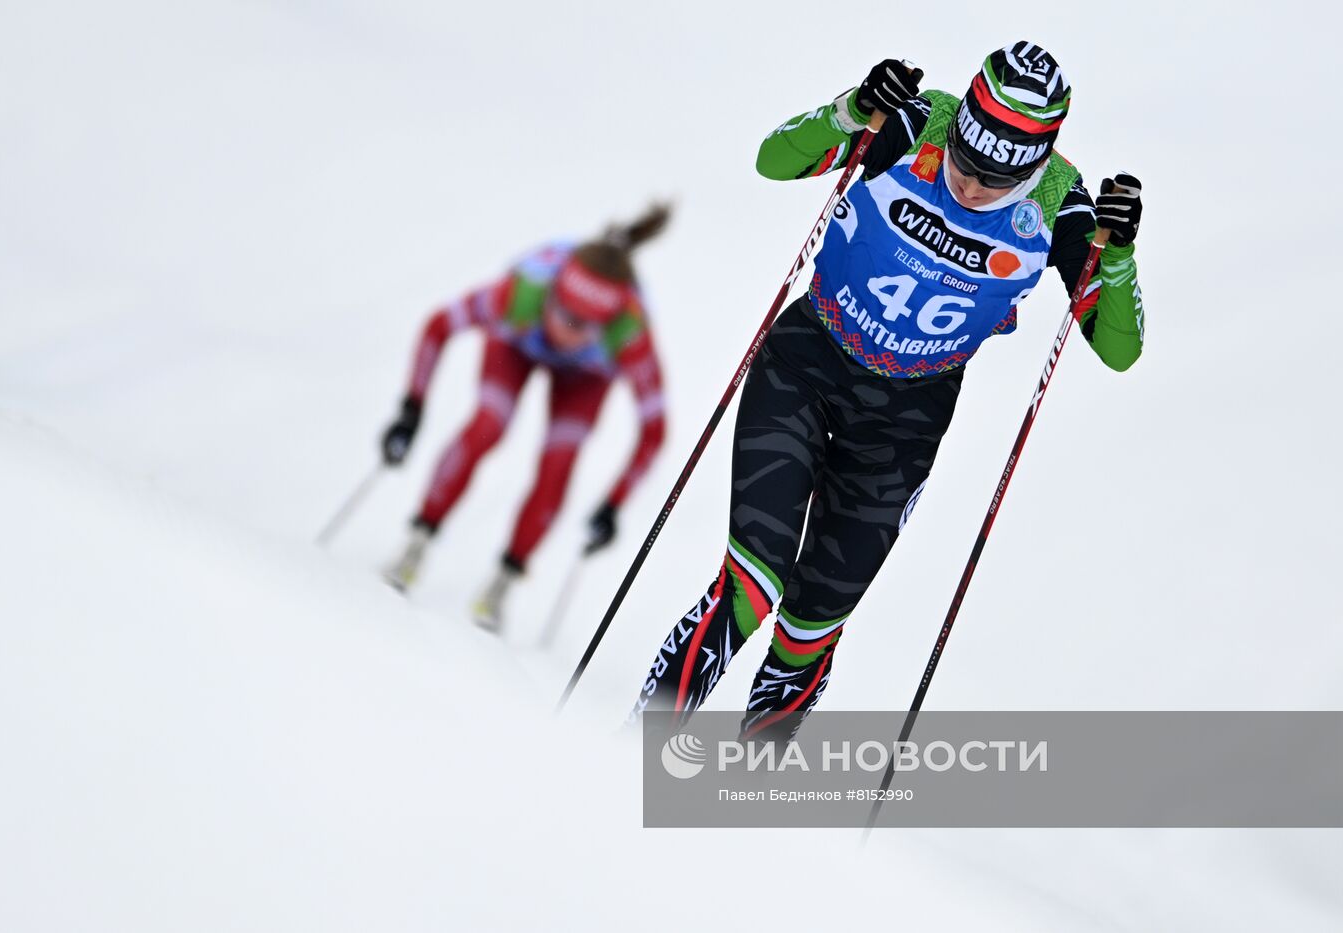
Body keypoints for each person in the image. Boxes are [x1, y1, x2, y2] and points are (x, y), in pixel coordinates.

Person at [630, 43, 1145, 739]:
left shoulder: (1059, 203)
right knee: (750, 588)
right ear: (959, 123)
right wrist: (852, 110)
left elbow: (1117, 349)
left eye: (996, 178)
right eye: (965, 160)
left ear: (1037, 159)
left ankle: (743, 804)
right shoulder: (915, 124)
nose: (969, 185)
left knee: (810, 628)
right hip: (809, 364)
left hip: (905, 419)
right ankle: (631, 753)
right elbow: (774, 159)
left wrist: (1116, 256)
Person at [380, 205, 670, 631]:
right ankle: (417, 542)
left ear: (607, 324)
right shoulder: (521, 291)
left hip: (585, 378)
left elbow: (655, 429)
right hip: (516, 344)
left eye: (588, 327)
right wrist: (412, 407)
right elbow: (438, 327)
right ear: (551, 295)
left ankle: (503, 581)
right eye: (566, 316)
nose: (571, 333)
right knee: (487, 426)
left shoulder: (628, 331)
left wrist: (614, 503)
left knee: (558, 462)